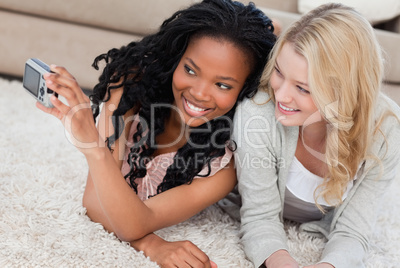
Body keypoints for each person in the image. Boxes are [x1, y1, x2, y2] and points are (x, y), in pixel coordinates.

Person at [36, 0, 276, 267]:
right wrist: (150, 243)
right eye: (190, 70)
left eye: (222, 84)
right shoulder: (133, 82)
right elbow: (93, 203)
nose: (199, 93)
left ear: (244, 91)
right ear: (177, 58)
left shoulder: (223, 165)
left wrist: (95, 147)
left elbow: (139, 220)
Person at [221, 3, 400, 268]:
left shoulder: (386, 129)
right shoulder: (258, 113)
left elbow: (353, 232)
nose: (281, 95)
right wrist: (282, 261)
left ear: (345, 92)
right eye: (279, 72)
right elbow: (259, 218)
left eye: (303, 88)